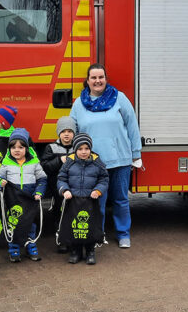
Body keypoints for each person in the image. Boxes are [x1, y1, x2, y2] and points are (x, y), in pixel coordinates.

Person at [70, 64, 141, 249]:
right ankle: (97, 235)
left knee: (120, 199)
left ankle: (123, 234)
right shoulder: (79, 104)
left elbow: (132, 126)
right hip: (92, 163)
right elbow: (72, 130)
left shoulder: (120, 98)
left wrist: (136, 153)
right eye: (93, 78)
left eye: (101, 77)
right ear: (87, 81)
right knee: (96, 202)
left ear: (106, 79)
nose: (97, 81)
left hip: (120, 160)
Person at [0, 128, 47, 262]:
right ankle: (14, 248)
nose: (17, 150)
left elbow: (42, 179)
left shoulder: (34, 162)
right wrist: (1, 181)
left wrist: (39, 192)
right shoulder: (6, 163)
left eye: (21, 147)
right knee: (13, 224)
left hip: (30, 199)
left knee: (30, 224)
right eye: (13, 147)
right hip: (13, 200)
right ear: (9, 149)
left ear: (27, 148)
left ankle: (31, 246)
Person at [57, 133, 109, 265]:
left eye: (87, 148)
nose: (84, 152)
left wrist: (98, 190)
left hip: (91, 200)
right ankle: (76, 251)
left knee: (90, 227)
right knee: (74, 227)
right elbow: (61, 178)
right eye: (80, 149)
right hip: (73, 200)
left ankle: (90, 251)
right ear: (75, 149)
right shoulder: (69, 163)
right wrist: (65, 190)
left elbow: (104, 179)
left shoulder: (97, 163)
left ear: (90, 149)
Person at [40, 116, 77, 252]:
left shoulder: (78, 147)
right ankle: (62, 240)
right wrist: (60, 160)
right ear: (58, 133)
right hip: (58, 188)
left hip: (75, 187)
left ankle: (75, 240)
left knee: (74, 212)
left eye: (70, 131)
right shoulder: (51, 147)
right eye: (63, 131)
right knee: (59, 213)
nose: (66, 134)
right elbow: (45, 167)